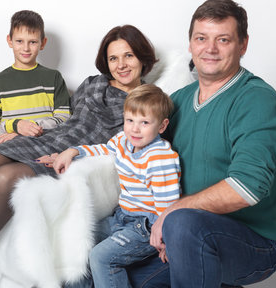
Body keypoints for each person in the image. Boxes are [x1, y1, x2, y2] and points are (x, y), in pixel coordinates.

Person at [0, 24, 157, 276]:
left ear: (141, 57)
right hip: (53, 136)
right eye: (113, 58)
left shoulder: (148, 100)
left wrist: (74, 153)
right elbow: (64, 116)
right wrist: (20, 128)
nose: (121, 64)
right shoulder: (94, 83)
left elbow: (133, 146)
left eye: (129, 56)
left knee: (5, 177)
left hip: (75, 152)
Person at [127, 0, 276, 288]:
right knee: (119, 275)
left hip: (254, 242)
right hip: (187, 234)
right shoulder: (177, 101)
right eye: (201, 38)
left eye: (223, 39)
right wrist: (75, 152)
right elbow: (142, 157)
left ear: (243, 45)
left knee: (183, 222)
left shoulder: (256, 100)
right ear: (190, 44)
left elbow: (248, 187)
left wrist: (172, 215)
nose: (210, 49)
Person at [51, 84, 180, 288]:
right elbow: (104, 148)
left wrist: (168, 240)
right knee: (78, 239)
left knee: (101, 257)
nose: (135, 129)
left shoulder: (160, 158)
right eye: (130, 120)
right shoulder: (123, 140)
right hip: (121, 217)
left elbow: (168, 206)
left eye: (145, 122)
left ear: (162, 127)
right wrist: (73, 152)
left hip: (146, 227)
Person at [0, 10, 71, 144]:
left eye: (33, 42)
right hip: (10, 147)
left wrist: (27, 130)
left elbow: (65, 119)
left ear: (43, 43)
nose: (26, 48)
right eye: (19, 41)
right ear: (9, 41)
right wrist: (15, 126)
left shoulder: (53, 78)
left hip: (44, 143)